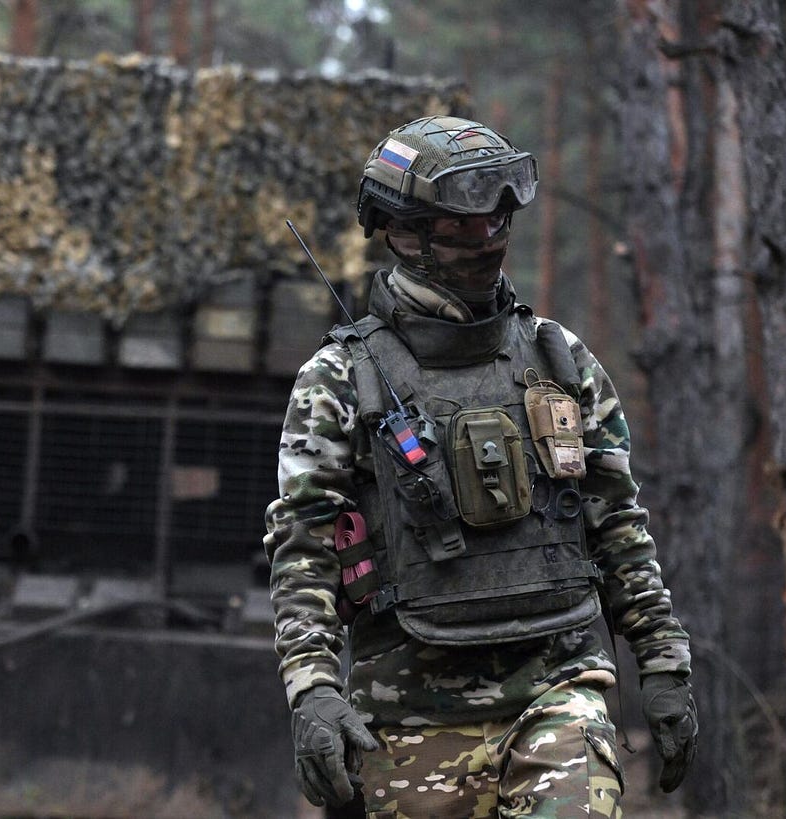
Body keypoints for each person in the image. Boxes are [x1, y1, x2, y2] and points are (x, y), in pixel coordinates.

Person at [265, 115, 697, 818]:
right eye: (463, 225)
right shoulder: (341, 380)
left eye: (498, 219)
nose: (488, 239)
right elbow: (303, 549)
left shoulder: (559, 361)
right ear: (403, 232)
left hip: (557, 689)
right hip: (406, 713)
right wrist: (313, 690)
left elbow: (619, 525)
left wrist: (664, 661)